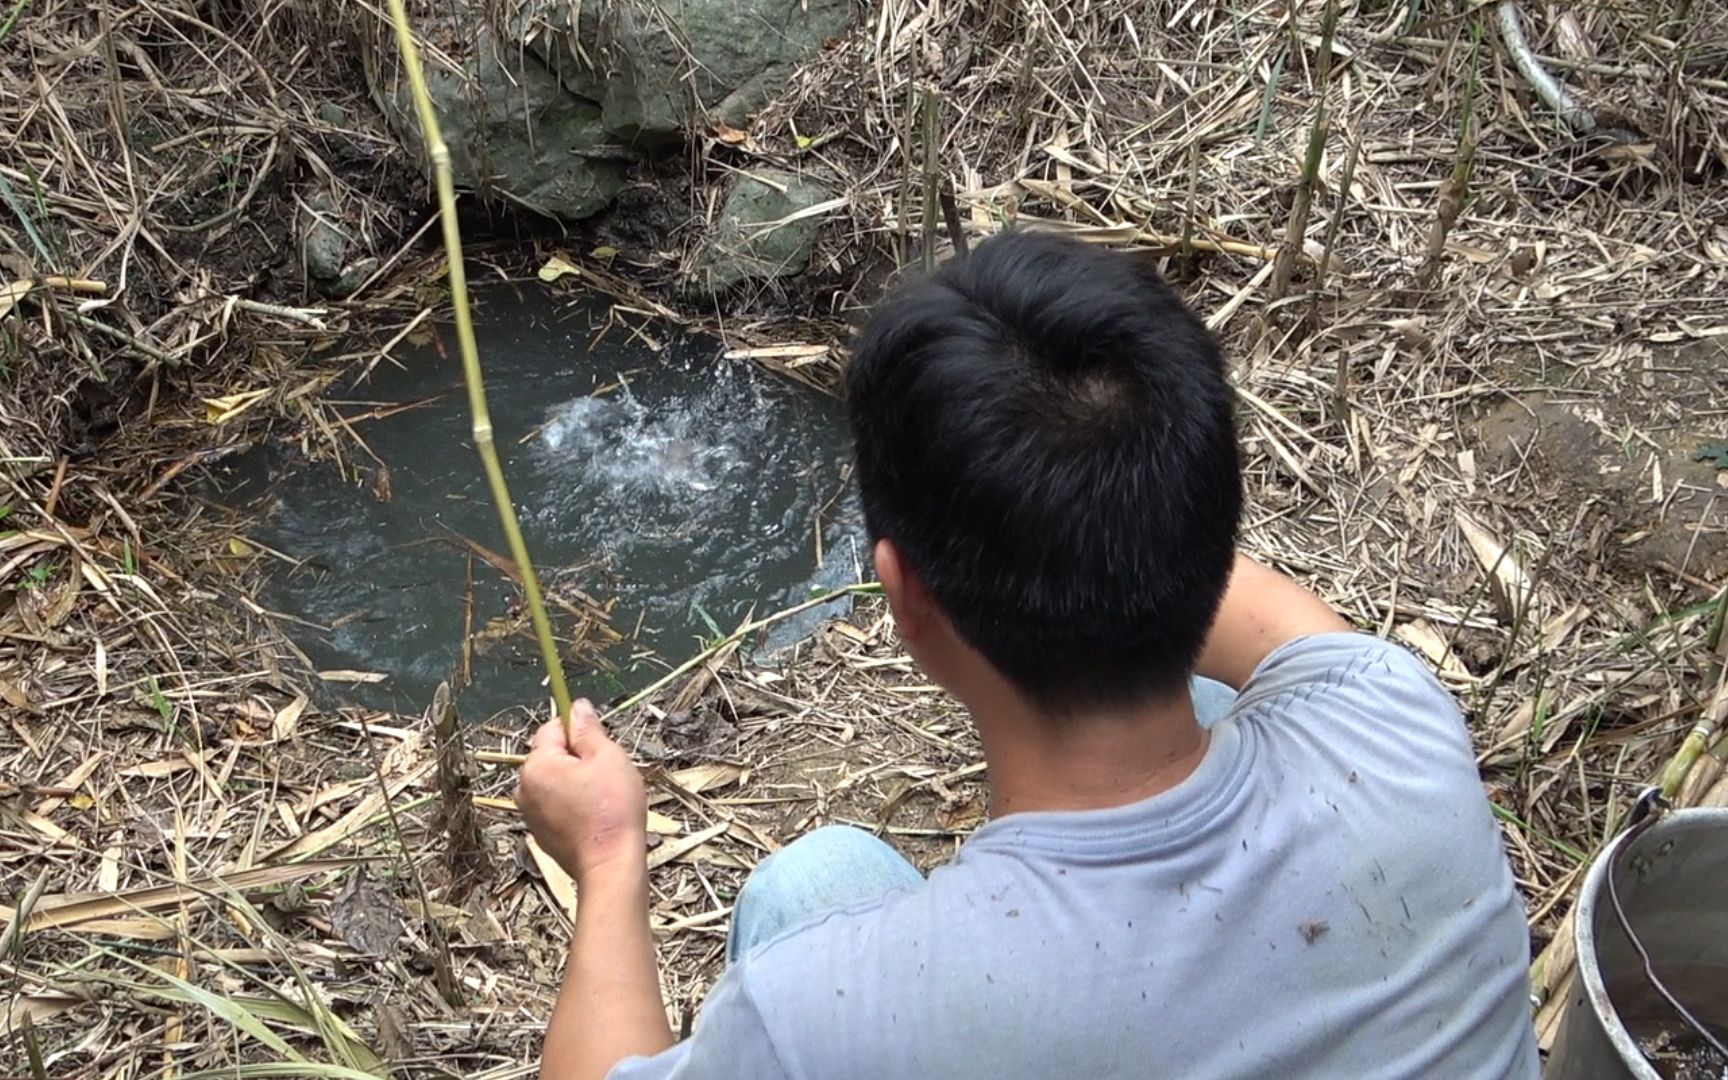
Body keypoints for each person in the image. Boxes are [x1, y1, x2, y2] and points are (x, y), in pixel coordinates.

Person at [516, 230, 1541, 1080]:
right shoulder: (1393, 714)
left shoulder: (822, 1019)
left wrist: (608, 860)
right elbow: (1234, 590)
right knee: (818, 880)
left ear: (903, 592)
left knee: (802, 898)